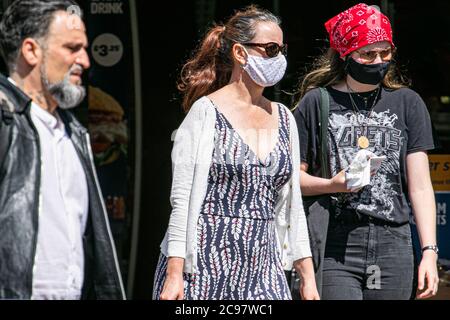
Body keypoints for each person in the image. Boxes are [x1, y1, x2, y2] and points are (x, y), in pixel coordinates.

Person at [153, 5, 319, 300]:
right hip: (204, 262)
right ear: (240, 53)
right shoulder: (205, 113)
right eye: (270, 49)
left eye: (281, 49)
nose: (278, 58)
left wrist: (307, 277)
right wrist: (175, 274)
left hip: (263, 265)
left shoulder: (284, 117)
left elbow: (291, 205)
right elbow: (182, 199)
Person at [293, 3, 439, 300]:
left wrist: (429, 251)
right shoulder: (315, 102)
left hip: (393, 240)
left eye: (385, 52)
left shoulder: (407, 103)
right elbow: (292, 179)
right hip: (336, 242)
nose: (378, 61)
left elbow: (421, 187)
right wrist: (333, 184)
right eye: (368, 54)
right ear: (345, 54)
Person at [0, 0, 125, 299]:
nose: (85, 60)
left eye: (85, 48)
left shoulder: (75, 134)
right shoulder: (5, 119)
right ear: (31, 50)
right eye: (72, 48)